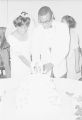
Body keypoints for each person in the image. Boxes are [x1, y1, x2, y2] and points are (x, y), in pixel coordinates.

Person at [31, 6, 70, 78]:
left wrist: (52, 63)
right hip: (44, 72)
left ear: (52, 16)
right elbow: (35, 51)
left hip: (60, 70)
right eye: (41, 22)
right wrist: (36, 64)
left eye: (46, 21)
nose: (44, 25)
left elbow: (65, 49)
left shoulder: (63, 27)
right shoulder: (36, 31)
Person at [6, 12, 32, 82]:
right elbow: (20, 55)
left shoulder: (29, 34)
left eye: (26, 26)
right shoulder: (11, 37)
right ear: (16, 26)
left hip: (28, 63)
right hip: (18, 65)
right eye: (22, 27)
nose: (25, 29)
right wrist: (31, 65)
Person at [61, 15, 80, 80]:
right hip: (65, 63)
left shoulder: (73, 34)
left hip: (73, 62)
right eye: (61, 22)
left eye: (63, 22)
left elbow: (77, 51)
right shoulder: (61, 34)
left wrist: (77, 65)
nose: (62, 24)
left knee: (73, 82)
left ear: (68, 24)